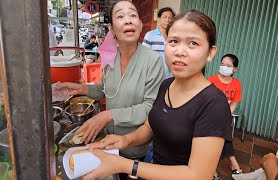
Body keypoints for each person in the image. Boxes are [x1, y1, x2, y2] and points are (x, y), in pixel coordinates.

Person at [81, 9, 233, 180]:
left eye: (193, 44)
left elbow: (198, 175)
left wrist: (125, 165)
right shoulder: (166, 85)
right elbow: (150, 127)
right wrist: (125, 140)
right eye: (173, 41)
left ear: (210, 53)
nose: (180, 51)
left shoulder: (214, 104)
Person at [56, 1, 164, 179]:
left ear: (139, 24)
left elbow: (150, 109)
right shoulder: (110, 57)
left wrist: (108, 115)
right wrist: (80, 88)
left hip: (136, 146)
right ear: (112, 29)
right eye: (120, 16)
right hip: (108, 142)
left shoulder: (152, 61)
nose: (128, 20)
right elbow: (106, 90)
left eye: (133, 15)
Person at [208, 54, 242, 179]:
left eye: (228, 65)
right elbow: (204, 101)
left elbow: (234, 102)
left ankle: (212, 170)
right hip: (209, 116)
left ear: (235, 69)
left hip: (224, 117)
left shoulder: (236, 84)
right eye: (222, 64)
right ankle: (233, 162)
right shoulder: (211, 80)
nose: (224, 67)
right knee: (222, 135)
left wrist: (226, 114)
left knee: (221, 136)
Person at [142, 7, 175, 79]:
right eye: (165, 17)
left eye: (170, 18)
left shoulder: (174, 37)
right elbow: (144, 56)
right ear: (159, 19)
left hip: (171, 77)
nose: (167, 20)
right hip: (154, 76)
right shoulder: (150, 35)